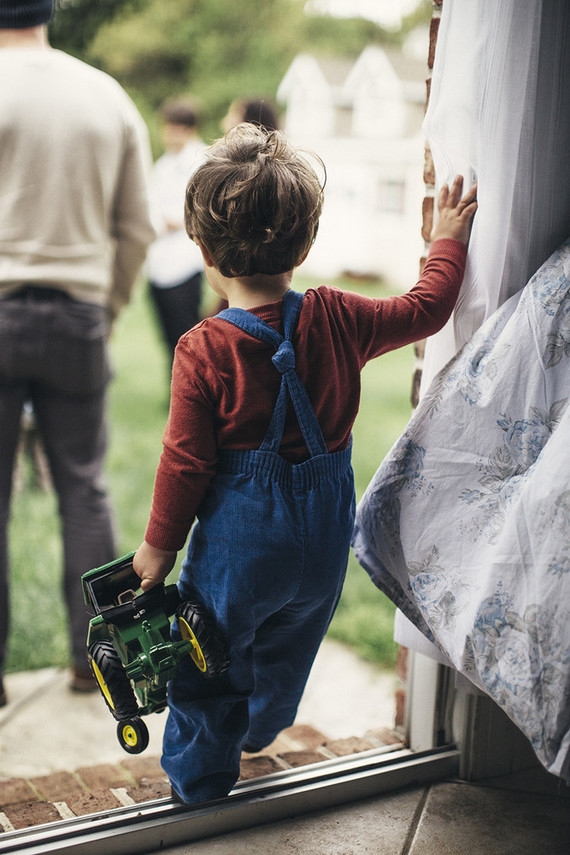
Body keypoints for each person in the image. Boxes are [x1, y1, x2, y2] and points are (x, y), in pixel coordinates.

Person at [133, 124, 477, 805]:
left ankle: (201, 781)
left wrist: (157, 549)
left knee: (210, 657)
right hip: (321, 548)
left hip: (241, 553)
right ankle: (262, 724)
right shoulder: (337, 315)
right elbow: (427, 307)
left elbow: (186, 462)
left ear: (200, 250)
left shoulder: (204, 349)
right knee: (288, 646)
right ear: (307, 243)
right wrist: (448, 241)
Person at [0, 0, 155, 705]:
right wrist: (110, 305)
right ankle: (92, 661)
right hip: (79, 315)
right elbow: (136, 228)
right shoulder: (106, 96)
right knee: (85, 490)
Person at [147, 98, 208, 368]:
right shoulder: (162, 164)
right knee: (167, 336)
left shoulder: (202, 162)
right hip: (158, 262)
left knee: (187, 333)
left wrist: (165, 220)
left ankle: (195, 390)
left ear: (186, 129)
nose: (167, 134)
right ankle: (175, 390)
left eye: (172, 127)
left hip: (185, 263)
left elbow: (199, 213)